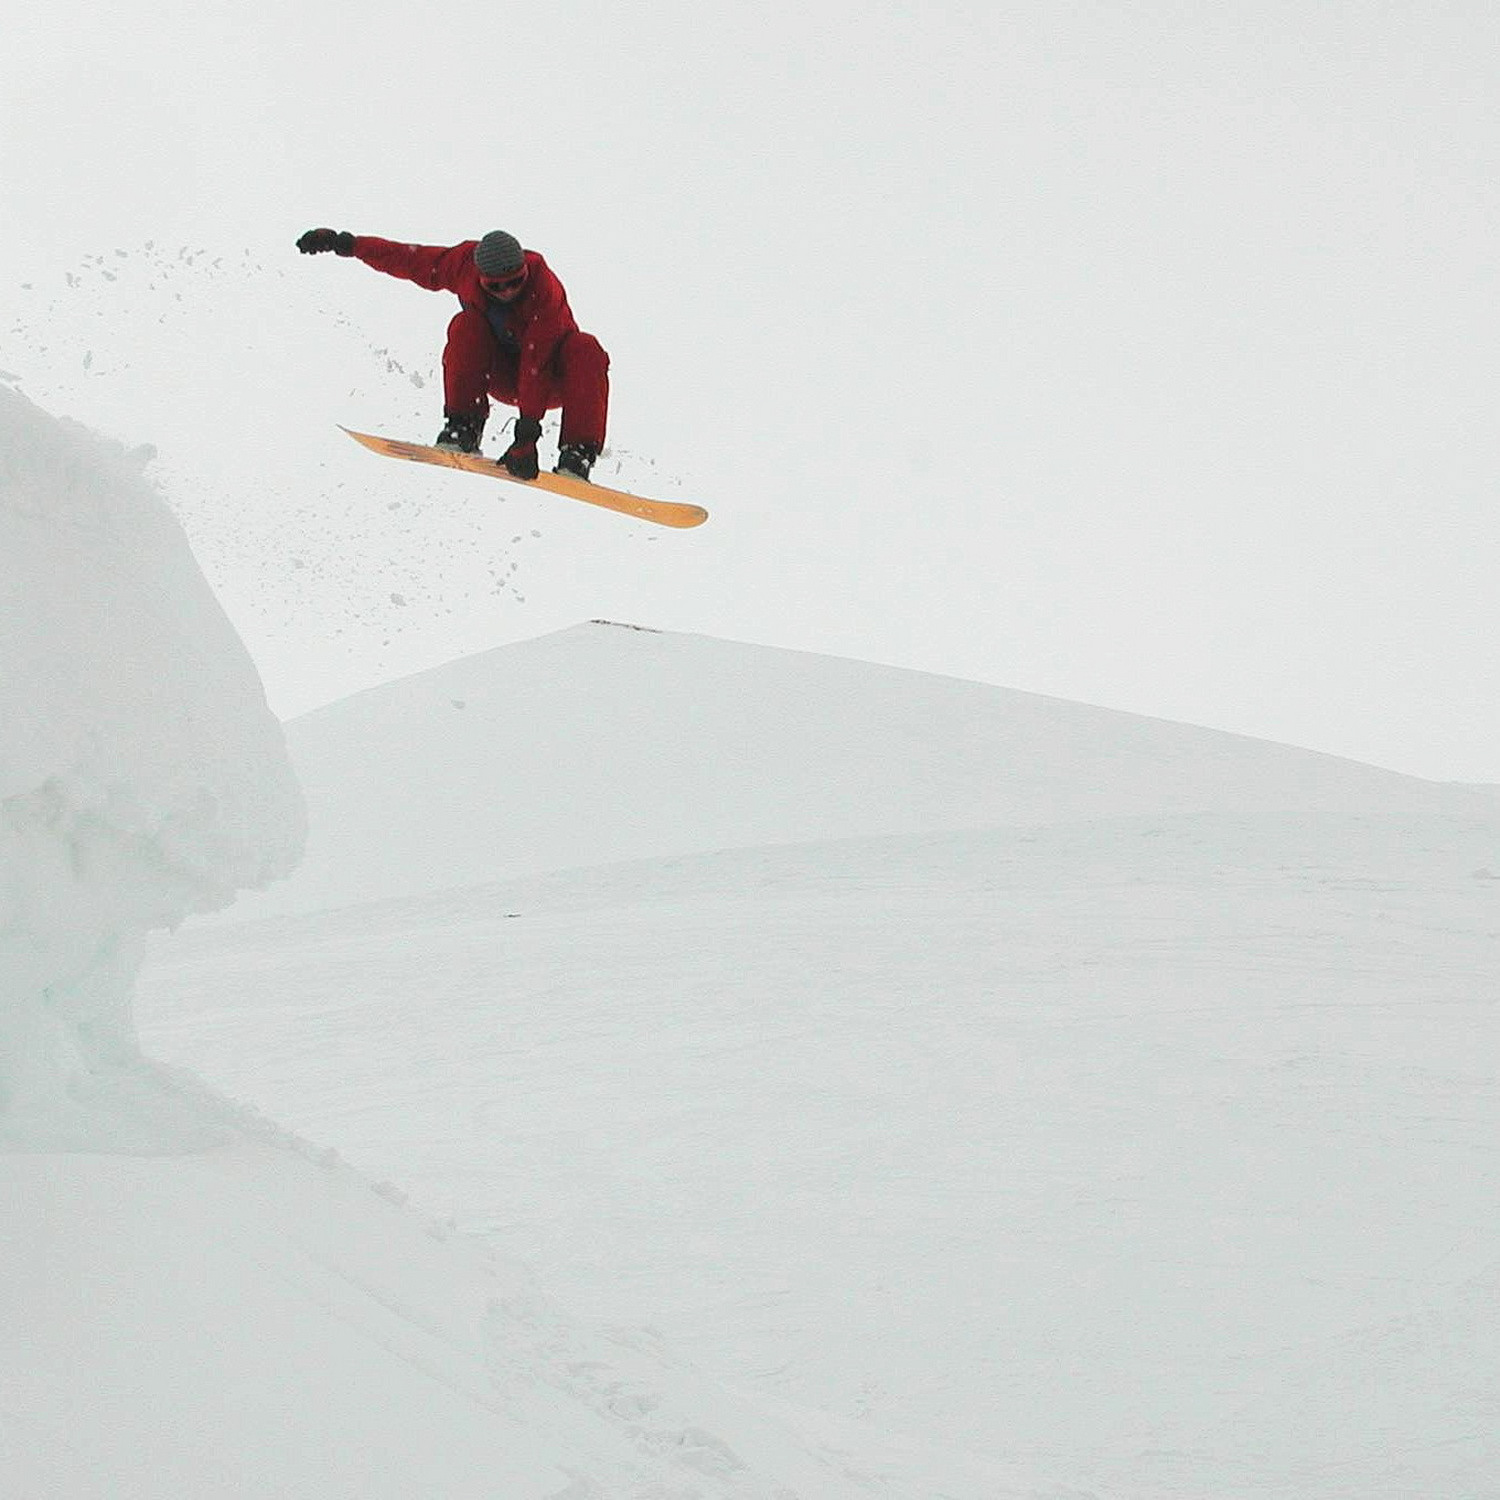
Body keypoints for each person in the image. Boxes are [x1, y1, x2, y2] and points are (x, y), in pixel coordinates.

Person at [296, 227, 609, 482]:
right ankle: (463, 429)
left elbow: (536, 362)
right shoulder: (462, 265)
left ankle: (576, 457)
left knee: (586, 348)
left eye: (515, 282)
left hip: (552, 380)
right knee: (466, 325)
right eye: (496, 287)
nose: (508, 291)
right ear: (480, 276)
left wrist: (527, 433)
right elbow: (407, 259)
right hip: (496, 373)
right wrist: (347, 244)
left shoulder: (545, 290)